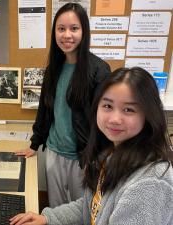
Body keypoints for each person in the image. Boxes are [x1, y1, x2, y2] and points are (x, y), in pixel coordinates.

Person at [10, 67, 173, 225]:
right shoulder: (110, 154)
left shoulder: (149, 184)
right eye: (108, 106)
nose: (115, 119)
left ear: (148, 115)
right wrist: (48, 219)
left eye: (129, 109)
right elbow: (90, 208)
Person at [15, 3, 111, 207]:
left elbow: (104, 120)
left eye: (74, 28)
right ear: (54, 33)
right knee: (56, 209)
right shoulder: (53, 68)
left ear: (84, 31)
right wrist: (34, 144)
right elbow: (45, 109)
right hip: (53, 153)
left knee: (82, 210)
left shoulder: (99, 70)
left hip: (83, 158)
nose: (67, 35)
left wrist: (96, 156)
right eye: (61, 29)